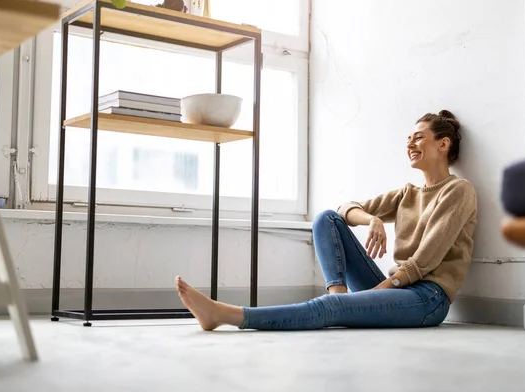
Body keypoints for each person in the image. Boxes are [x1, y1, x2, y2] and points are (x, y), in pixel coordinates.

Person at [175, 110, 477, 331]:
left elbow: (425, 261)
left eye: (419, 137)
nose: (410, 143)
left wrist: (377, 292)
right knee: (326, 218)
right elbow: (346, 209)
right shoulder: (406, 194)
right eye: (408, 138)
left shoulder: (458, 191)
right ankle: (337, 294)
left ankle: (228, 315)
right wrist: (372, 219)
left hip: (427, 298)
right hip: (397, 290)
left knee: (331, 309)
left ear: (443, 144)